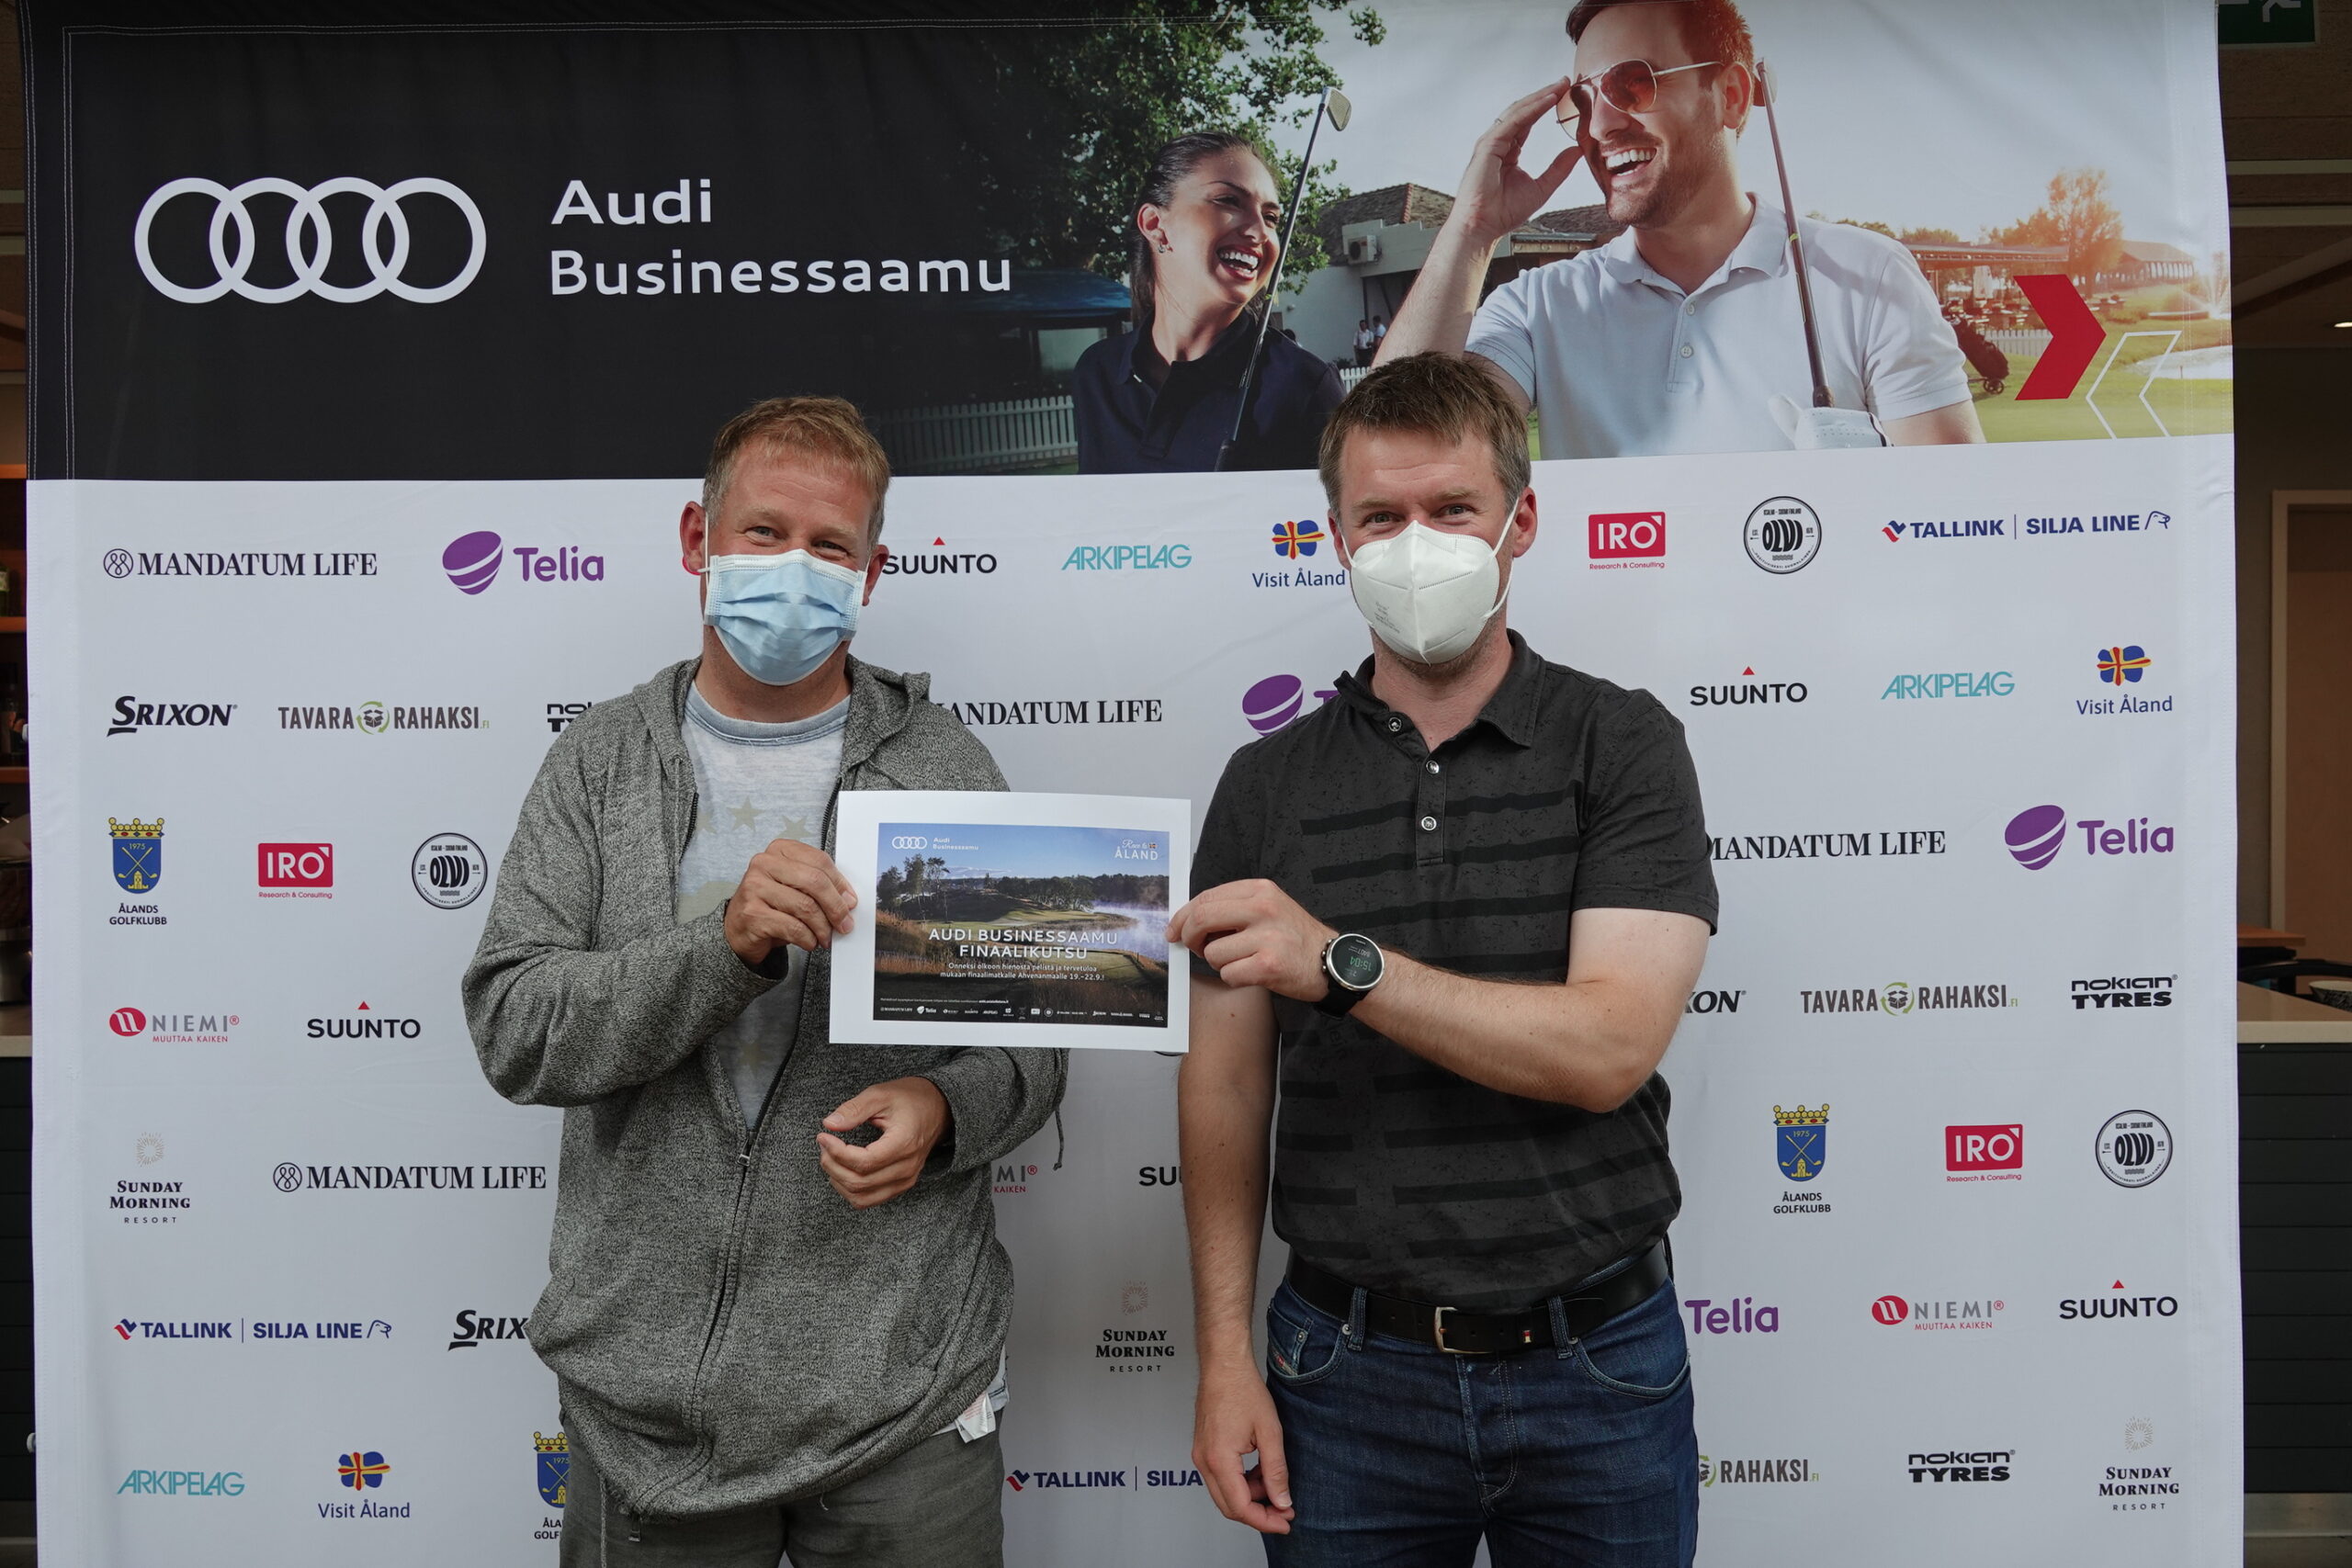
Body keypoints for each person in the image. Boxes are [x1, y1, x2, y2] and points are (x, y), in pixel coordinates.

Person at [464, 396, 1068, 1568]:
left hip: (902, 1401)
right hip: (647, 1415)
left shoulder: (942, 765)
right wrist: (723, 950)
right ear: (699, 540)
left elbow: (1036, 1049)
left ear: (871, 573)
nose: (794, 568)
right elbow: (515, 1030)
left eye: (830, 546)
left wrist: (945, 1108)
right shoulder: (600, 763)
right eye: (763, 533)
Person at [1171, 353, 1716, 1566]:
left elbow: (1608, 1049)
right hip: (1341, 1368)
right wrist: (1221, 1357)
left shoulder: (1621, 744)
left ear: (1521, 520)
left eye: (1453, 509)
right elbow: (1224, 1087)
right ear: (1336, 537)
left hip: (1598, 1364)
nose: (1416, 545)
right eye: (1381, 517)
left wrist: (1341, 965)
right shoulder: (1266, 785)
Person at [1377, 0, 1981, 457]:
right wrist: (1471, 231)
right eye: (1582, 103)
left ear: (1733, 96)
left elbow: (1956, 517)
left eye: (1632, 83)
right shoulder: (1536, 307)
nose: (1600, 126)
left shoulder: (1868, 275)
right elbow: (1399, 451)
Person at [1072, 131, 1345, 472]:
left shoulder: (1305, 386)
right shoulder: (1096, 373)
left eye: (1271, 218)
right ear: (1155, 225)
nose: (1260, 232)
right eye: (1229, 200)